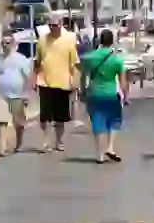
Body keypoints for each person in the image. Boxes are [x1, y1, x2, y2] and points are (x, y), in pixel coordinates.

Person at [80, 29, 128, 163]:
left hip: (94, 93)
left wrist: (83, 90)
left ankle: (99, 154)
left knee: (97, 122)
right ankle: (110, 147)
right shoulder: (117, 60)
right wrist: (125, 96)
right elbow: (123, 82)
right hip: (112, 94)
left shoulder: (90, 57)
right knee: (115, 121)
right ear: (112, 41)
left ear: (100, 41)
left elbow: (83, 75)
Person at [35, 11, 79, 152]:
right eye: (51, 25)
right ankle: (46, 141)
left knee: (60, 117)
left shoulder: (69, 40)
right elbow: (37, 61)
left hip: (63, 83)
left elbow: (74, 64)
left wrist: (75, 82)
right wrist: (34, 79)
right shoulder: (42, 40)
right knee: (45, 117)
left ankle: (59, 141)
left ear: (61, 25)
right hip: (44, 82)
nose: (53, 28)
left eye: (55, 25)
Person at [0, 33, 33, 156]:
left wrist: (27, 94)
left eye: (8, 42)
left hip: (18, 95)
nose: (5, 45)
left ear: (13, 44)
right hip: (2, 96)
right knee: (2, 121)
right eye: (3, 43)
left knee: (19, 123)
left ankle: (19, 142)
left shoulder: (21, 59)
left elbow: (28, 77)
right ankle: (2, 148)